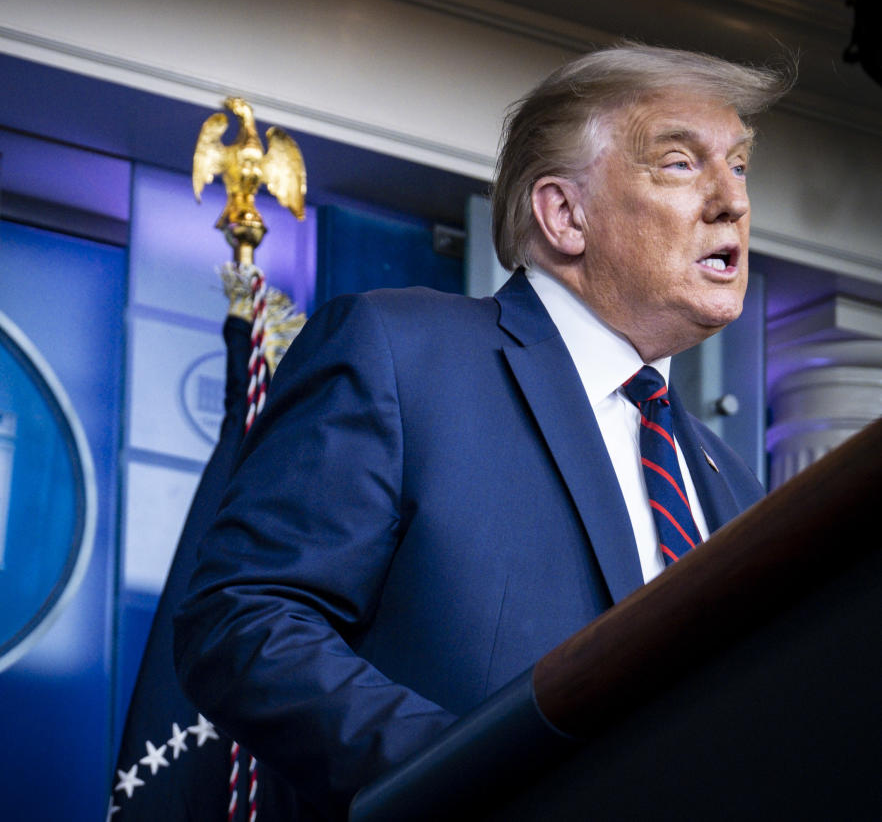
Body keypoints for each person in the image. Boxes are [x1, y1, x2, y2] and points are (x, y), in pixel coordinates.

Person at [173, 44, 791, 820]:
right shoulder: (402, 354)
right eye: (678, 163)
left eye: (738, 166)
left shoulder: (732, 482)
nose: (732, 200)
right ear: (564, 214)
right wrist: (477, 779)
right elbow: (245, 619)